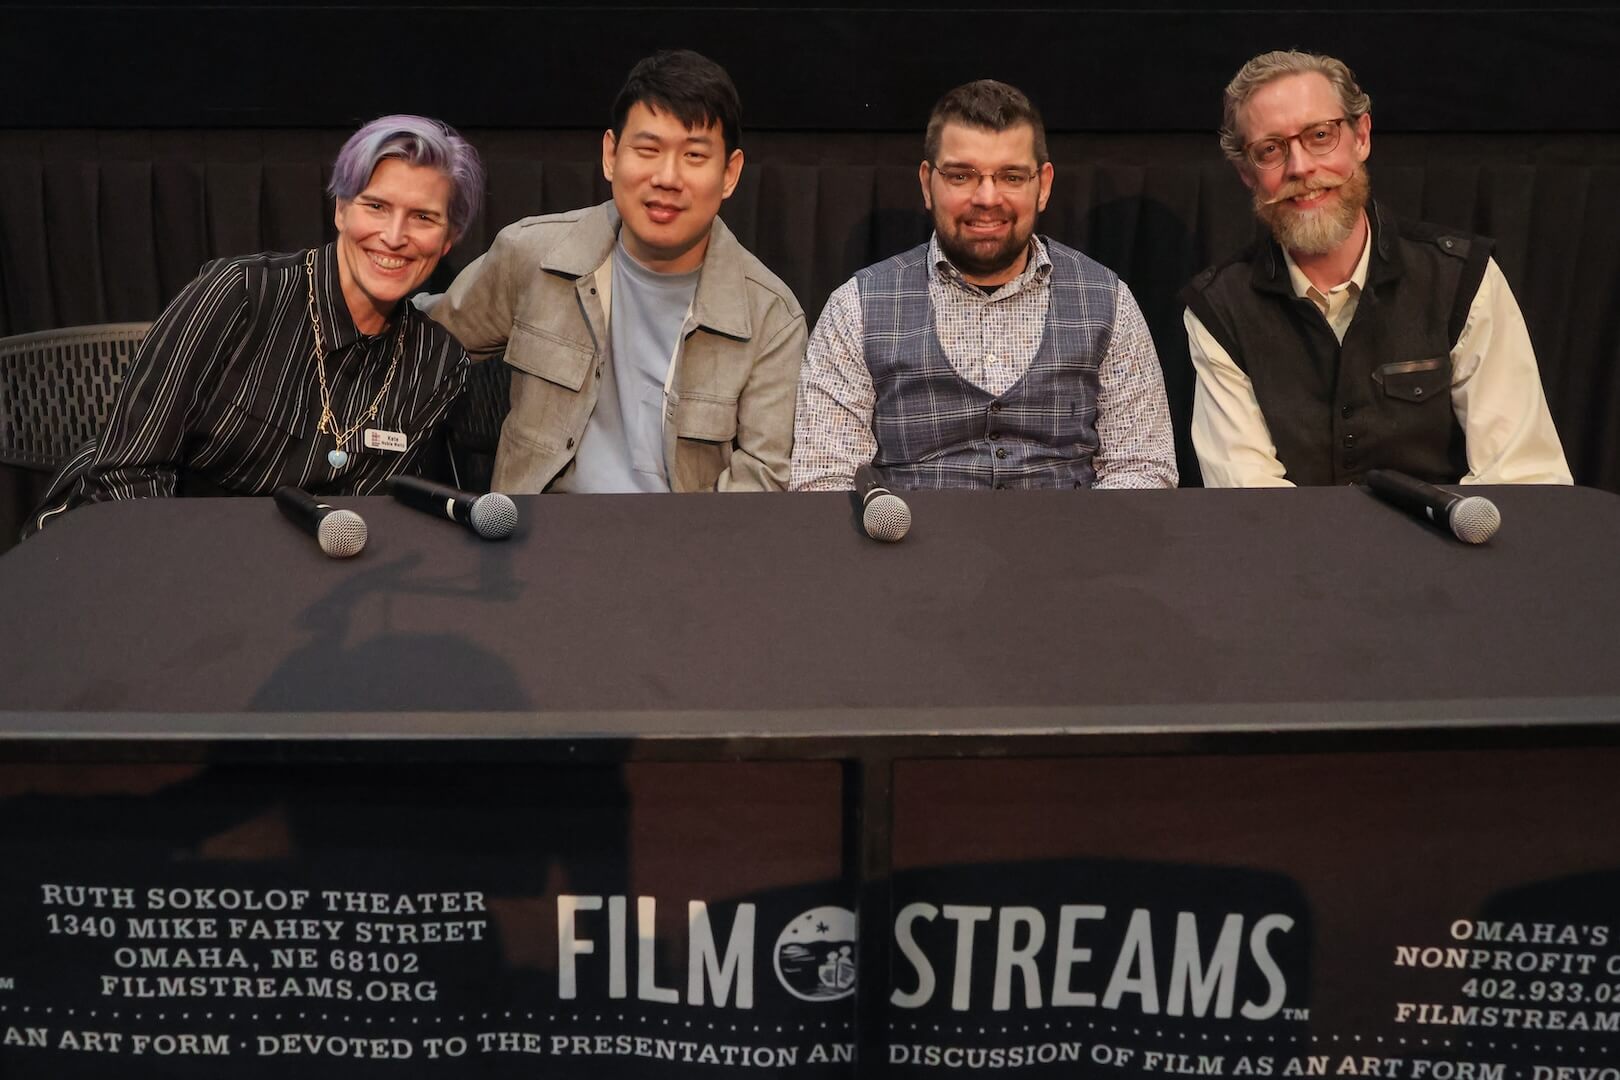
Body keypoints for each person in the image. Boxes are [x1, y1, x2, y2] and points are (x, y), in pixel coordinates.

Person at [31, 115, 482, 532]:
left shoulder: (437, 362)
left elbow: (362, 515)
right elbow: (127, 471)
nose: (395, 236)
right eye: (376, 206)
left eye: (423, 217)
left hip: (279, 575)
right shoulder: (241, 294)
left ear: (448, 240)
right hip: (131, 539)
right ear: (341, 210)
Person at [1182, 50, 1571, 487]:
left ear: (1361, 136)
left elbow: (1523, 478)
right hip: (1294, 551)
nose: (1301, 167)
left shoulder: (1462, 278)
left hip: (1447, 550)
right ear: (1247, 174)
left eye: (1320, 135)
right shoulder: (1220, 308)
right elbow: (1250, 501)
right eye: (1270, 149)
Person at [426, 50, 805, 494]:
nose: (667, 177)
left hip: (683, 547)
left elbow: (763, 477)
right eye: (647, 150)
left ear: (730, 173)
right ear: (611, 155)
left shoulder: (770, 316)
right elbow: (417, 343)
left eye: (695, 156)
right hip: (535, 541)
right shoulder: (533, 255)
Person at [790, 79, 1177, 491]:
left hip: (1071, 550)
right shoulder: (856, 308)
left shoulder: (1107, 300)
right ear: (927, 183)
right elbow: (824, 480)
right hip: (907, 552)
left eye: (1011, 176)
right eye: (962, 176)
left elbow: (1144, 467)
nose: (987, 197)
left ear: (1043, 185)